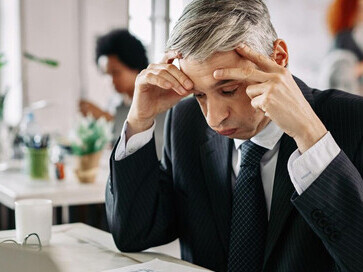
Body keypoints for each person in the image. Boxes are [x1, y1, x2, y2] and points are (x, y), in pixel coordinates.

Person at [106, 1, 363, 271]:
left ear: (278, 58)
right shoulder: (186, 123)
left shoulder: (353, 123)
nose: (214, 118)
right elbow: (133, 233)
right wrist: (139, 119)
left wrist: (311, 138)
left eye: (229, 90)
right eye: (200, 95)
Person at [80, 29, 165, 156]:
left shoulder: (159, 100)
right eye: (107, 74)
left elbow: (153, 142)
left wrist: (106, 118)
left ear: (134, 66)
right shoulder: (114, 101)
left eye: (116, 72)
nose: (111, 81)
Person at [320, 0, 363, 94]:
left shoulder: (344, 38)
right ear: (351, 11)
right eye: (359, 8)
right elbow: (344, 72)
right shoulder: (344, 39)